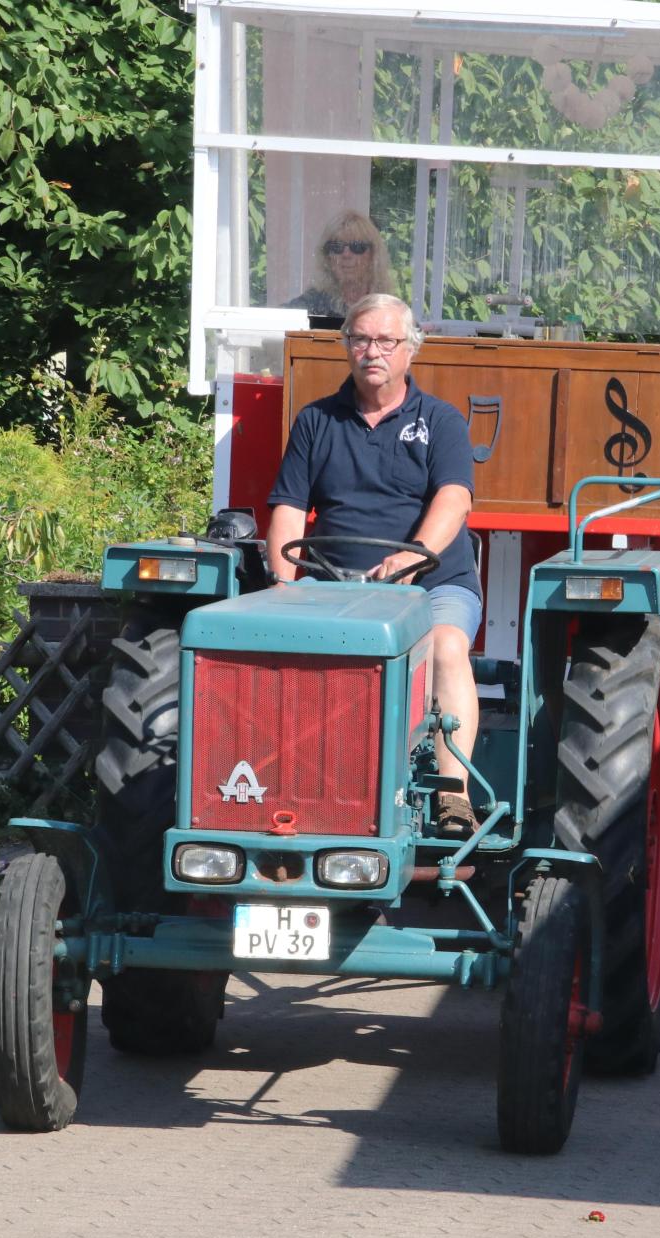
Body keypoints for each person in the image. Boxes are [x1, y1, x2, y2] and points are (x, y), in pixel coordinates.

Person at [266, 293, 482, 835]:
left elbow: (454, 499)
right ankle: (292, 785)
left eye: (387, 341)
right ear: (345, 347)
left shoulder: (442, 421)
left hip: (433, 583)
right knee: (278, 652)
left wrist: (411, 558)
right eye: (361, 339)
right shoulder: (316, 421)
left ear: (411, 350)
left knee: (449, 646)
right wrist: (281, 588)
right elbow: (289, 509)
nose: (373, 351)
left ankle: (453, 794)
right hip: (333, 584)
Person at [285, 210, 397, 319]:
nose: (346, 254)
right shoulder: (313, 305)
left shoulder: (388, 308)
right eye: (337, 247)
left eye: (356, 246)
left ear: (373, 255)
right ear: (327, 257)